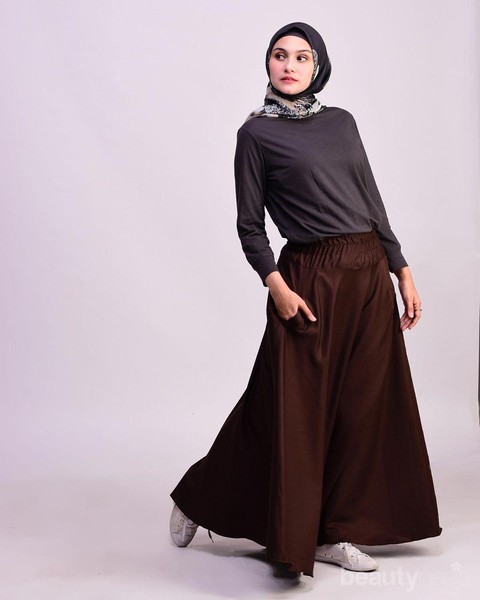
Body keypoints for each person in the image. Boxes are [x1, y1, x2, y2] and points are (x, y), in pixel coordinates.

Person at [169, 21, 442, 578]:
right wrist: (278, 286)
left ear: (318, 66)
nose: (289, 65)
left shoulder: (342, 122)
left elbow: (371, 200)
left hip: (368, 272)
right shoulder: (256, 135)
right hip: (308, 279)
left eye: (302, 56)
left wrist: (402, 269)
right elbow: (250, 226)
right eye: (279, 55)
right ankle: (201, 496)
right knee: (289, 409)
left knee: (360, 409)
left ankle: (333, 531)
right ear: (267, 64)